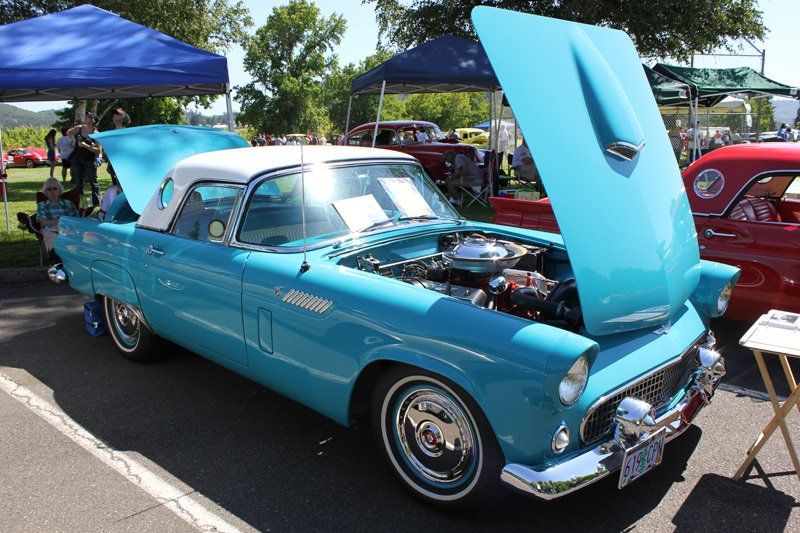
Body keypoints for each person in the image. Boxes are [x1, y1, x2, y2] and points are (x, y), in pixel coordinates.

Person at [36, 177, 78, 259]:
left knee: (70, 234)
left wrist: (52, 222)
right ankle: (56, 258)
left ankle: (69, 257)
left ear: (60, 190)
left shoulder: (68, 203)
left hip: (67, 229)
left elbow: (75, 221)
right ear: (45, 192)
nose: (52, 191)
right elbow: (42, 222)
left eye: (55, 188)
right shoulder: (42, 205)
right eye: (49, 189)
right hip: (49, 230)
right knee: (50, 235)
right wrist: (62, 220)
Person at [67, 112, 102, 207]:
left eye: (90, 116)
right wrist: (73, 141)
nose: (87, 117)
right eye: (87, 115)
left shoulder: (96, 133)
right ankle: (81, 204)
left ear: (94, 121)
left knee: (93, 182)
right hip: (78, 159)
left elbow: (99, 151)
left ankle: (96, 203)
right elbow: (69, 132)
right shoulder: (79, 128)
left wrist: (86, 146)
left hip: (90, 161)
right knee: (79, 183)